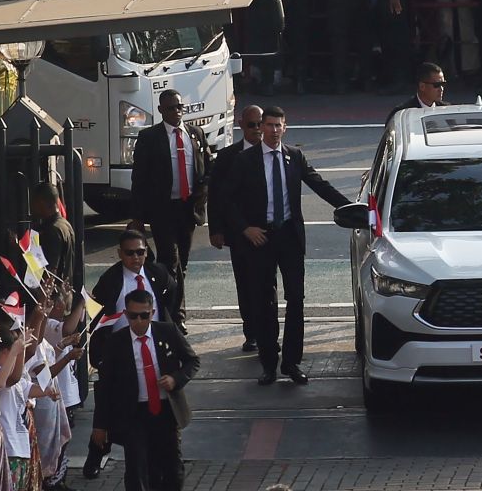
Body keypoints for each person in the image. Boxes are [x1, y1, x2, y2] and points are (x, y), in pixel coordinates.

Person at [228, 106, 351, 386]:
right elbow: (228, 200)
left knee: (296, 299)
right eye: (268, 125)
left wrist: (352, 207)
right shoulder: (246, 160)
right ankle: (269, 364)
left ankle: (292, 362)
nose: (272, 130)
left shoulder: (294, 157)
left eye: (277, 125)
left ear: (285, 128)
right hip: (260, 238)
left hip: (290, 237)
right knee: (264, 302)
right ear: (261, 128)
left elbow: (320, 185)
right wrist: (245, 228)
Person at [83, 228, 177, 479]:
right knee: (110, 404)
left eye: (140, 252)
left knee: (141, 408)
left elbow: (172, 292)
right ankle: (97, 450)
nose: (136, 258)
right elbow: (96, 314)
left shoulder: (158, 273)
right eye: (130, 253)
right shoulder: (111, 279)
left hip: (149, 347)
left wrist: (169, 325)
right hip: (118, 352)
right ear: (120, 254)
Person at [91, 289, 199, 491]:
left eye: (144, 315)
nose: (139, 321)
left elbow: (192, 361)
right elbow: (105, 386)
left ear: (152, 312)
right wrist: (100, 425)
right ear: (125, 315)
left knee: (172, 468)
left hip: (165, 411)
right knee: (137, 469)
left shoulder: (168, 332)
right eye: (133, 316)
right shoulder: (116, 343)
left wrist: (176, 379)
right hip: (134, 414)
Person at [128, 89, 211, 333]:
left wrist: (203, 192)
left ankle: (171, 310)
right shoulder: (149, 137)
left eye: (179, 107)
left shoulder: (195, 134)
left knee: (181, 263)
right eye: (171, 108)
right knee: (169, 260)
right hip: (162, 209)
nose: (177, 112)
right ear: (161, 110)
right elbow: (139, 178)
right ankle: (175, 315)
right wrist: (138, 216)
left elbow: (205, 168)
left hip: (187, 209)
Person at [207, 105, 264, 353]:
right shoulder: (228, 156)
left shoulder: (273, 153)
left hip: (267, 232)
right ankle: (251, 332)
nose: (257, 130)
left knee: (266, 285)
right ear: (242, 125)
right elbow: (217, 195)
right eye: (252, 125)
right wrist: (216, 229)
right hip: (239, 233)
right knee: (244, 283)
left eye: (260, 124)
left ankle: (266, 332)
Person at [29, 181, 74, 286]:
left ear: (41, 202)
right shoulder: (65, 224)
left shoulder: (52, 230)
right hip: (65, 293)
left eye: (33, 202)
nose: (32, 207)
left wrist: (43, 295)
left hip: (53, 296)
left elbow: (51, 271)